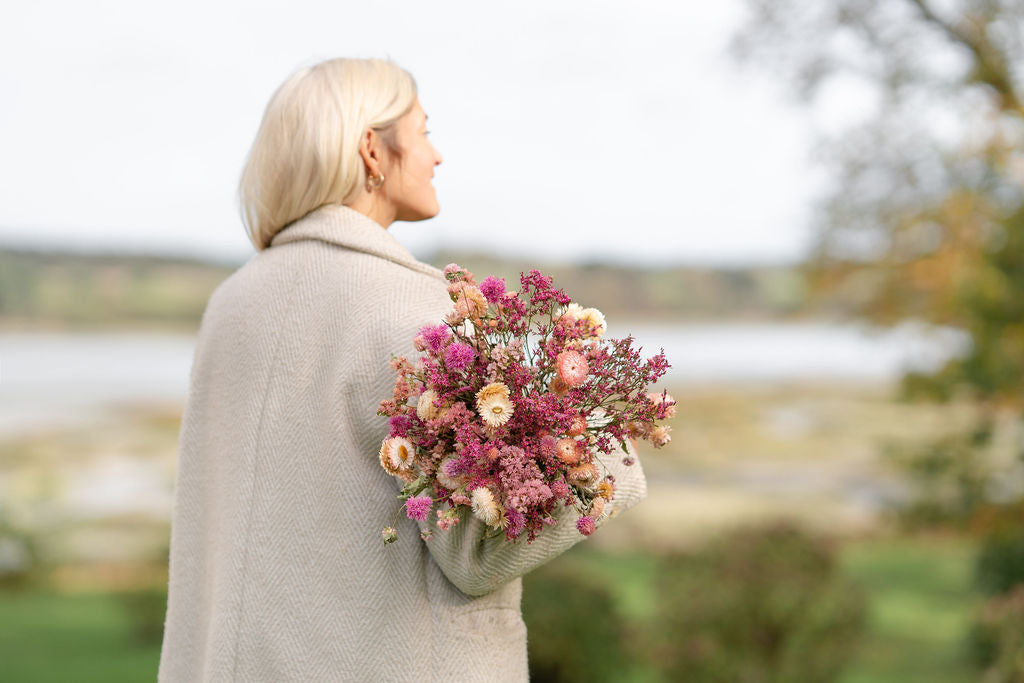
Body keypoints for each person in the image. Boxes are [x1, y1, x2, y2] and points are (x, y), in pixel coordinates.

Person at [157, 57, 647, 682]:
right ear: (372, 150)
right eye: (424, 130)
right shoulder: (420, 310)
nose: (437, 155)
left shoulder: (231, 303)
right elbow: (477, 552)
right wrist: (603, 449)